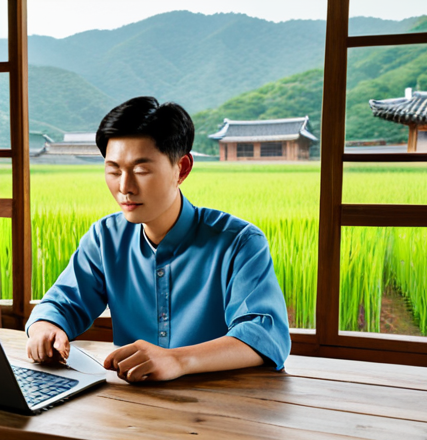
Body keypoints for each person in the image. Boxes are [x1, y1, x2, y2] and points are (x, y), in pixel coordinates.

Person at [26, 96, 290, 382]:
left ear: (182, 168)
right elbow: (63, 303)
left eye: (141, 170)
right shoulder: (105, 238)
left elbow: (263, 335)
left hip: (221, 405)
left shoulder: (239, 242)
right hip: (132, 405)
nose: (124, 187)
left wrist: (178, 360)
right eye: (114, 170)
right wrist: (46, 327)